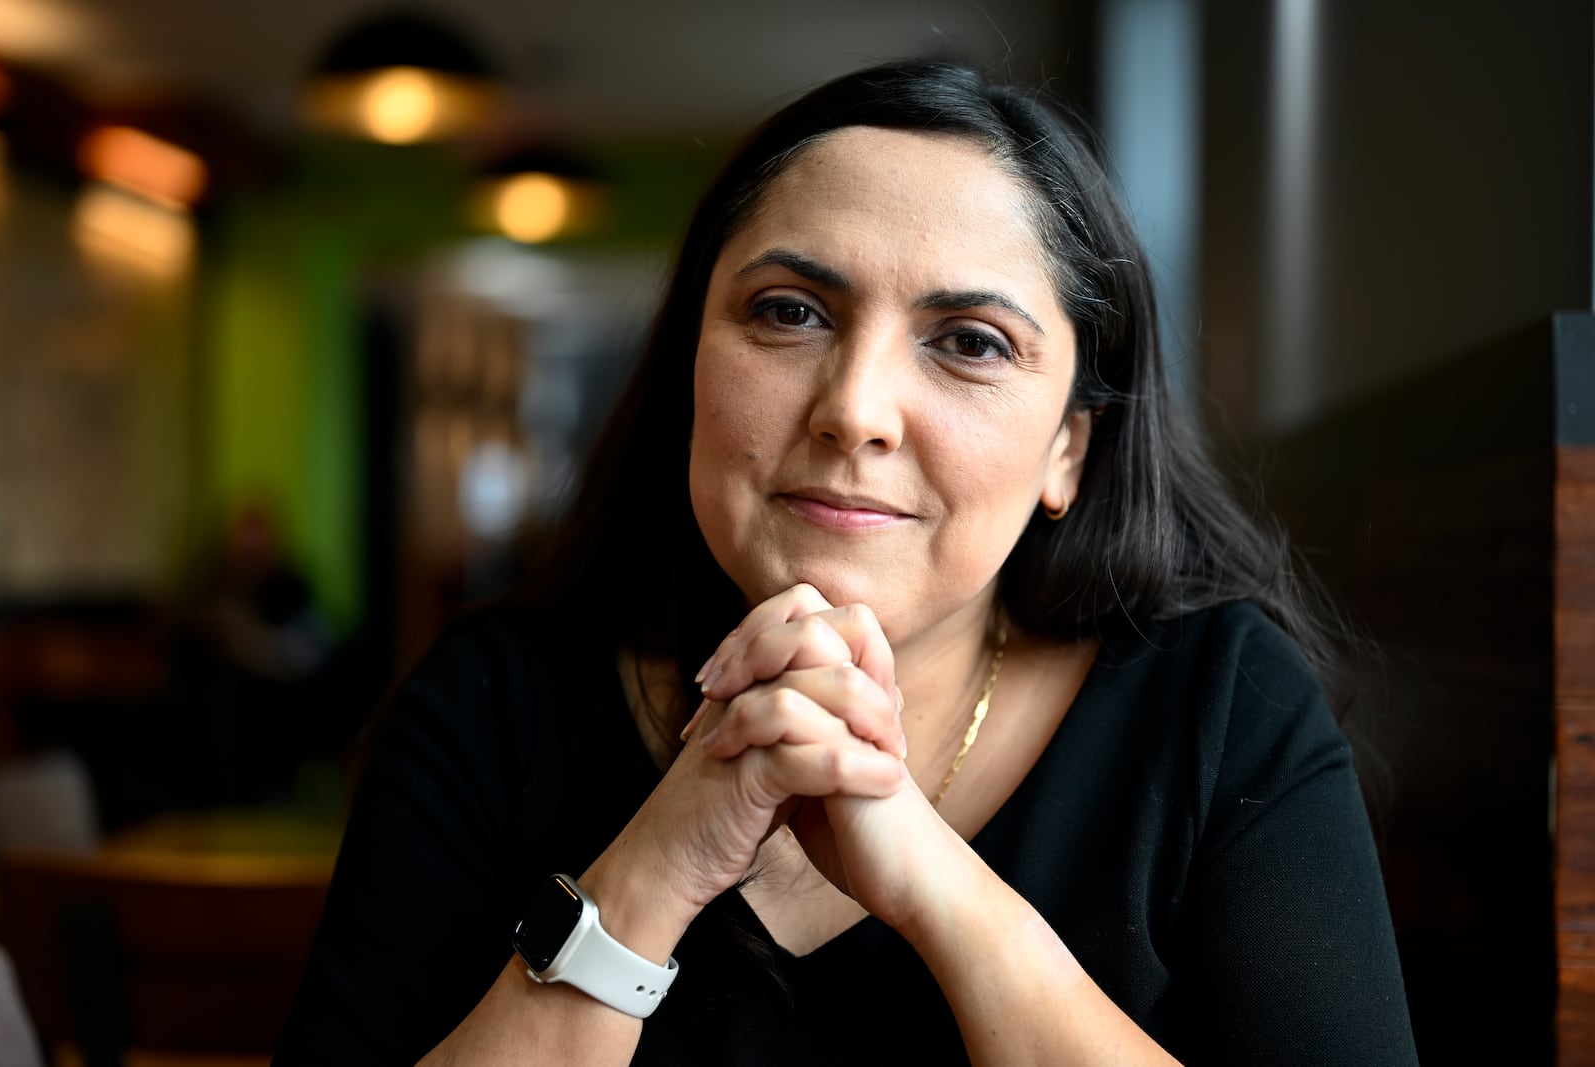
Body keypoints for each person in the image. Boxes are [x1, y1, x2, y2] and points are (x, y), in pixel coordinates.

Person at [275, 59, 1418, 1065]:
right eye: (788, 312)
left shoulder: (1220, 706)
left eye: (969, 342)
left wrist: (933, 883)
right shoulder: (490, 700)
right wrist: (654, 869)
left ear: (1069, 445)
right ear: (691, 370)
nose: (856, 409)